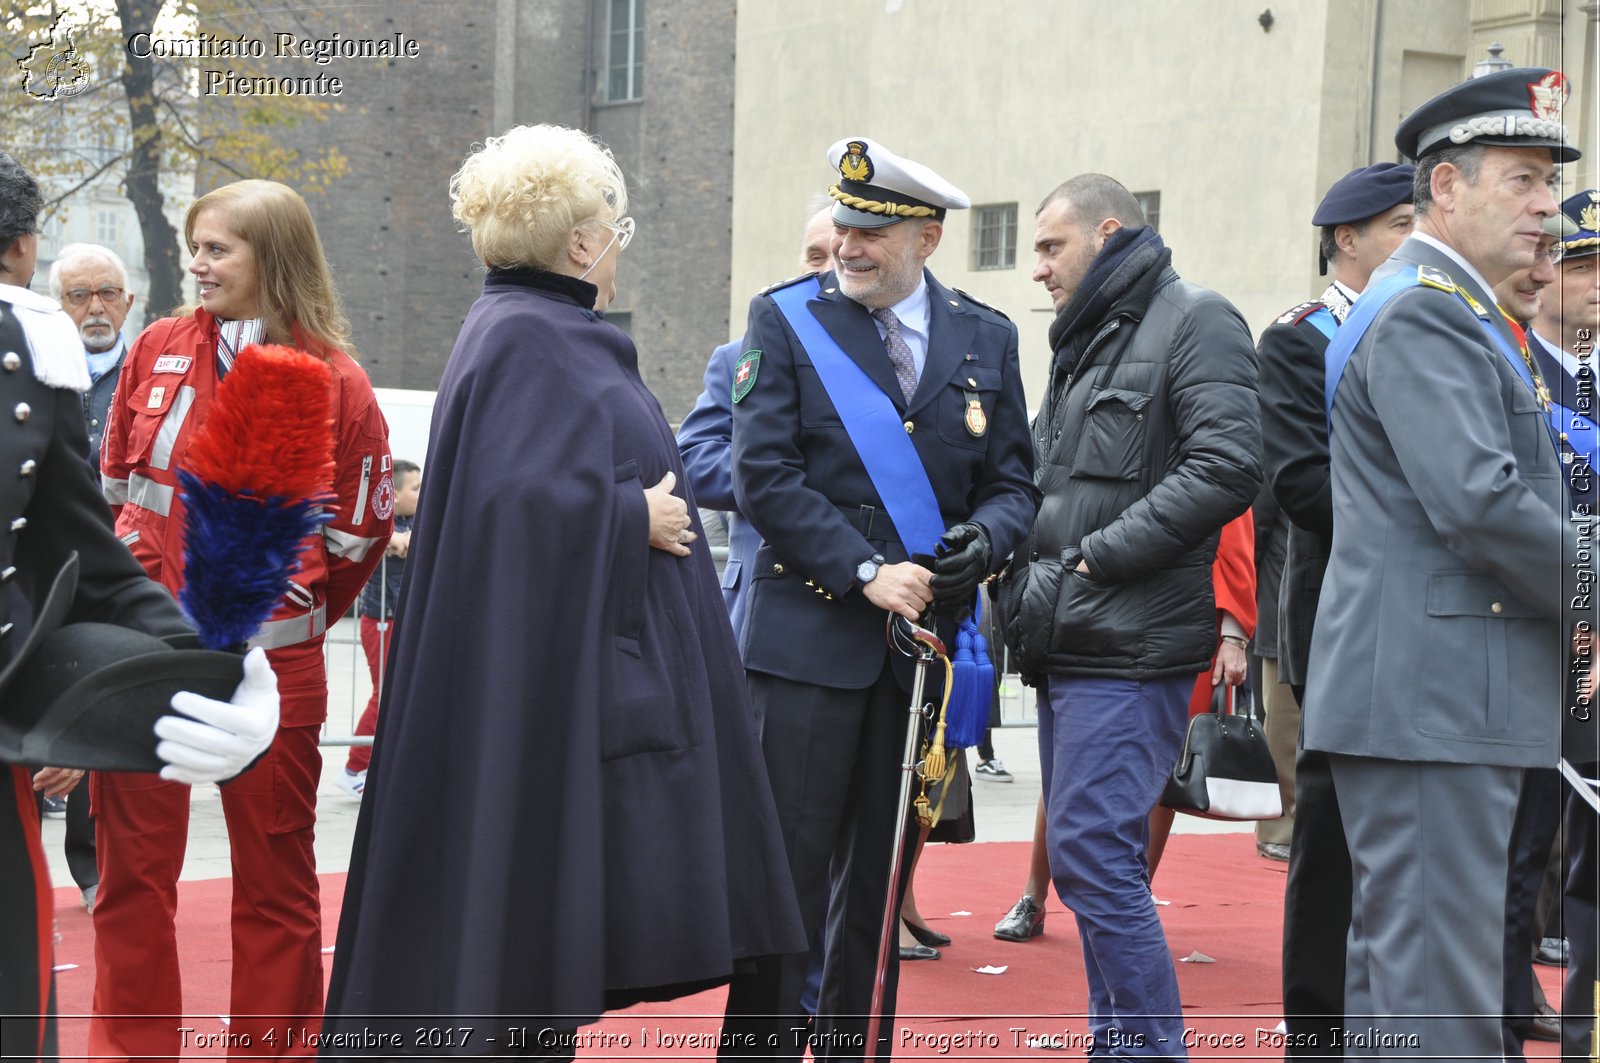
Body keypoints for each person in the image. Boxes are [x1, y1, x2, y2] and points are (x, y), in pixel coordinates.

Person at [323, 123, 804, 1052]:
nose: (619, 252)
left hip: (571, 679)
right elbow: (509, 508)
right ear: (582, 243)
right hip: (556, 694)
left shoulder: (526, 328)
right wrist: (634, 518)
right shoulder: (529, 338)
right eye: (615, 232)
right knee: (523, 918)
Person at [720, 136, 1038, 1061]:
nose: (849, 245)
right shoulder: (786, 320)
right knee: (787, 875)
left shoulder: (987, 334)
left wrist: (988, 539)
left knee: (878, 876)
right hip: (808, 643)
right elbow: (765, 478)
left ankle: (858, 1045)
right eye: (844, 225)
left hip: (917, 654)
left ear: (927, 240)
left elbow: (1015, 481)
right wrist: (864, 570)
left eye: (871, 231)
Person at [1301, 67, 1584, 1059]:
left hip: (1431, 699)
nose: (1546, 206)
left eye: (1550, 183)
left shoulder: (1443, 304)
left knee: (1404, 990)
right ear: (1447, 188)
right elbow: (1482, 501)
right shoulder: (1428, 308)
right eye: (1522, 179)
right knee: (1443, 1006)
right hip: (1434, 704)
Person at [93, 179, 393, 1059]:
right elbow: (117, 489)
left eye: (218, 247)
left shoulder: (338, 379)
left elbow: (357, 535)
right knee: (130, 883)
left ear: (275, 256)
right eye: (195, 244)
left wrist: (281, 622)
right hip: (146, 661)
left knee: (275, 884)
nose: (198, 261)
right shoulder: (156, 347)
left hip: (279, 671)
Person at [0, 150, 279, 1063]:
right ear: (30, 251)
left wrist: (229, 667)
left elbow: (87, 552)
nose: (200, 266)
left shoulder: (30, 369)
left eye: (218, 247)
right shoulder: (136, 351)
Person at [997, 173, 1260, 1054]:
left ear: (1107, 233)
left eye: (1049, 245)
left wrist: (1092, 556)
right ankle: (1121, 1042)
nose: (1037, 268)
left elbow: (1229, 466)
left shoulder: (1196, 318)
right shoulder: (1087, 341)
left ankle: (1146, 1048)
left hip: (1132, 642)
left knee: (1097, 860)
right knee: (1085, 861)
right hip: (1073, 639)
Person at [1255, 161, 1413, 1055]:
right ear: (1346, 240)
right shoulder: (1300, 339)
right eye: (1397, 225)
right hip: (1343, 608)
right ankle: (1317, 1016)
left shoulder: (1435, 325)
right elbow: (1301, 483)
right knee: (1332, 822)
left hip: (1430, 616)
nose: (1412, 240)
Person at [678, 199, 833, 639]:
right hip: (763, 602)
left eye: (837, 256)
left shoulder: (894, 362)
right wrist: (777, 472)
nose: (822, 270)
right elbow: (693, 458)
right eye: (814, 255)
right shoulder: (739, 355)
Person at [38, 241, 138, 911]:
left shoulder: (156, 372)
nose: (94, 307)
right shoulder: (37, 373)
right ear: (58, 304)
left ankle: (95, 863)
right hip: (40, 567)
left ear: (127, 301)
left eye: (106, 292)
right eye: (79, 295)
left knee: (99, 710)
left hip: (115, 570)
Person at [1526, 189, 1600, 1057]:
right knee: (1522, 860)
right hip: (1537, 639)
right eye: (1580, 262)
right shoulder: (1515, 370)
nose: (1595, 282)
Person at [1491, 233, 1565, 1054]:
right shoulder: (1493, 350)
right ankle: (1502, 997)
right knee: (1508, 851)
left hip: (1563, 631)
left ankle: (1523, 985)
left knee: (1552, 835)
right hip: (1512, 629)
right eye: (1560, 259)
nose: (1567, 280)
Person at [337, 458, 420, 798]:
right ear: (395, 495)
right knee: (386, 696)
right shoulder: (384, 522)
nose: (422, 492)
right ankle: (353, 768)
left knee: (402, 696)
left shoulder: (415, 521)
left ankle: (385, 770)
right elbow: (389, 539)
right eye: (415, 487)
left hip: (403, 618)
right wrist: (399, 540)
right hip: (381, 620)